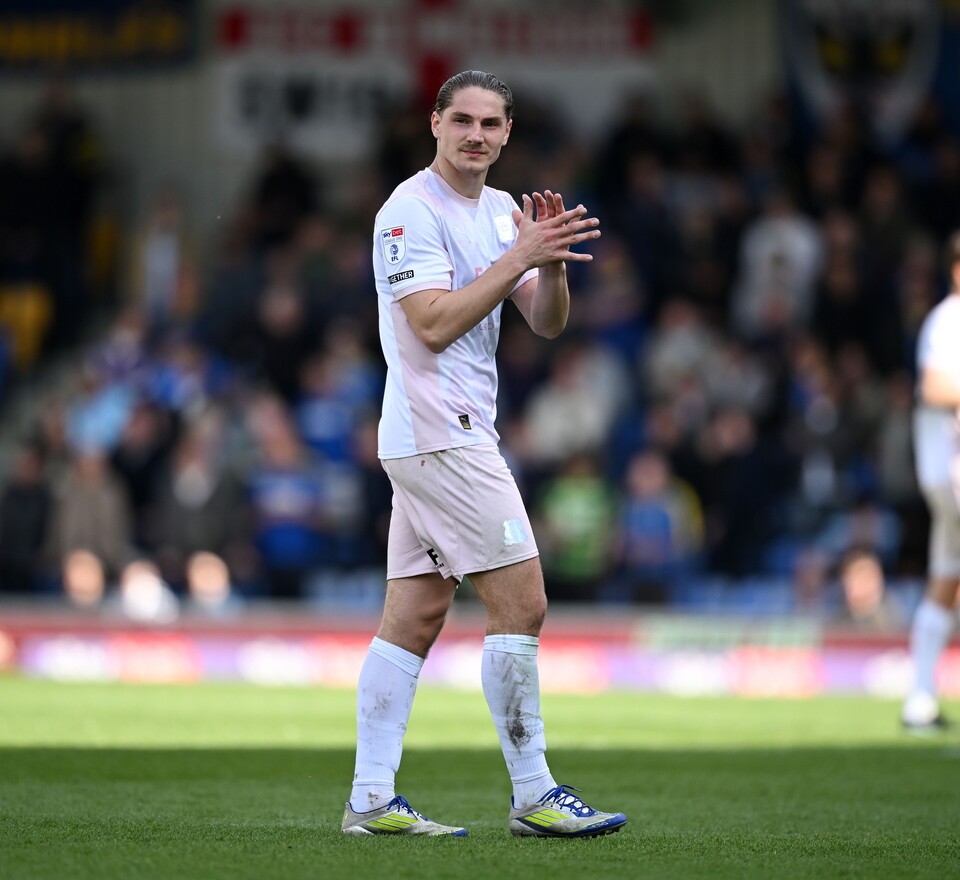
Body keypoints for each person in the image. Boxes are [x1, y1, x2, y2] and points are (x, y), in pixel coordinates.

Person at [341, 70, 626, 838]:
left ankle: (370, 799)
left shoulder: (503, 212)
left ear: (506, 133)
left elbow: (548, 323)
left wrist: (550, 263)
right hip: (442, 433)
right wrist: (516, 258)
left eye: (491, 124)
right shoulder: (408, 211)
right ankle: (533, 794)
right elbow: (430, 325)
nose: (476, 135)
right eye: (461, 119)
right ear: (434, 124)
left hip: (443, 434)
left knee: (416, 614)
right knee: (524, 600)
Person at [901, 229, 960, 734]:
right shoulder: (950, 318)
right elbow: (937, 385)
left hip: (946, 478)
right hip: (954, 471)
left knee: (947, 578)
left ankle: (920, 698)